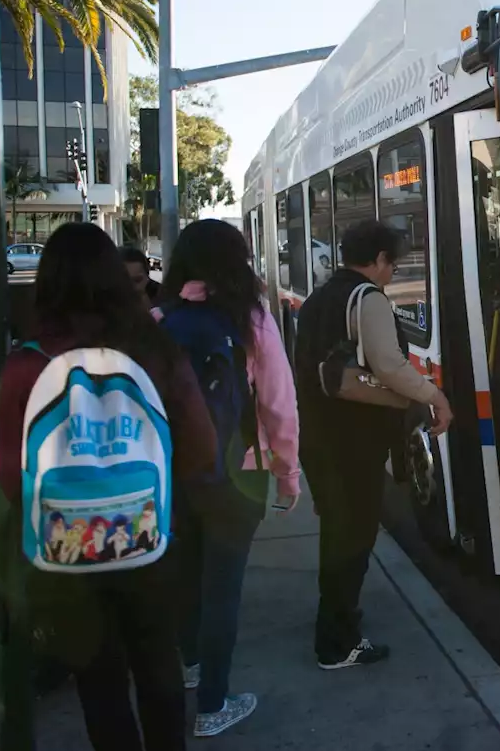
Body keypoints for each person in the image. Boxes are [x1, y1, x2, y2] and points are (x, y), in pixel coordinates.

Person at [0, 222, 217, 751]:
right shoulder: (154, 349)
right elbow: (203, 448)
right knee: (159, 666)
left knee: (98, 682)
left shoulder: (27, 364)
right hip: (148, 540)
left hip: (67, 553)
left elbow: (10, 476)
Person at [157, 219, 301, 737]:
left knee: (186, 576)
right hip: (238, 474)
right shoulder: (252, 320)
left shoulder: (159, 318)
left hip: (174, 473)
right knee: (224, 588)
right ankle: (214, 705)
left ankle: (192, 663)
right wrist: (287, 474)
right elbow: (278, 406)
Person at [294, 220, 452, 669]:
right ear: (378, 259)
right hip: (356, 441)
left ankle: (339, 622)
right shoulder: (368, 300)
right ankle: (337, 641)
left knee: (338, 531)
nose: (392, 273)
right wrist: (434, 396)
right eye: (392, 264)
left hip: (320, 435)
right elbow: (390, 366)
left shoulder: (317, 300)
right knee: (353, 538)